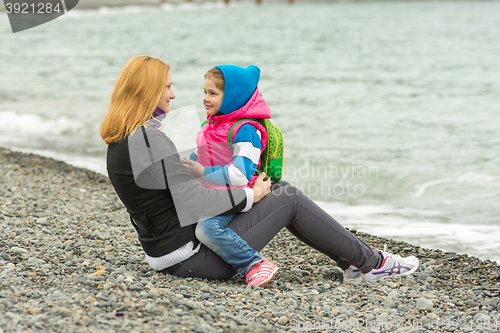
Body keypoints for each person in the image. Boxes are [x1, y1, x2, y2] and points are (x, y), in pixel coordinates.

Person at [100, 55, 419, 285]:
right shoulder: (151, 139)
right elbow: (195, 203)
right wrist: (250, 194)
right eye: (167, 87)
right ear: (148, 91)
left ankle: (356, 263)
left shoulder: (122, 139)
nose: (173, 94)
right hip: (192, 258)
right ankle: (372, 263)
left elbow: (169, 198)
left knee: (279, 190)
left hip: (166, 251)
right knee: (288, 195)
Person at [182, 65, 278, 288]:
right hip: (211, 192)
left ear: (232, 98)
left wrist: (202, 172)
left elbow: (238, 174)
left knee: (206, 229)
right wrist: (188, 163)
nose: (206, 99)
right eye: (205, 92)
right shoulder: (211, 124)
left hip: (237, 194)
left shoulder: (246, 130)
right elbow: (204, 154)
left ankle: (254, 263)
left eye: (213, 94)